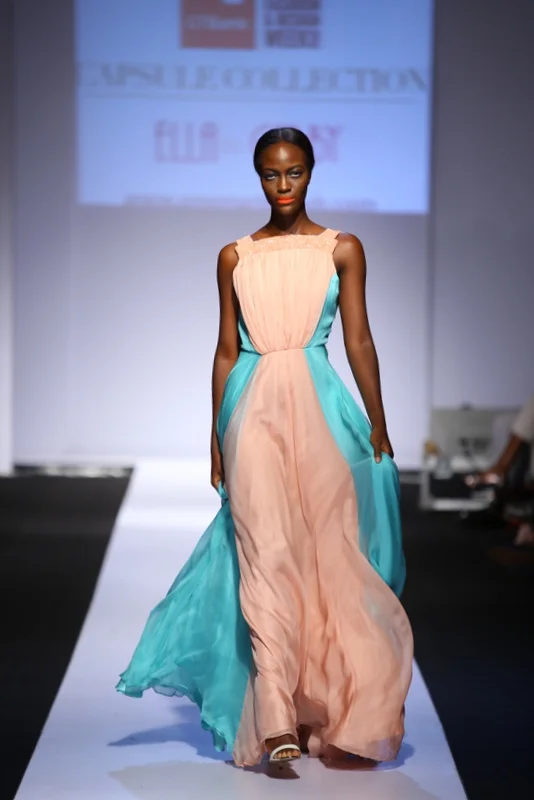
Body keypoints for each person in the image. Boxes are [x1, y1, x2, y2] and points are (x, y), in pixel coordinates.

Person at [116, 128, 413, 767]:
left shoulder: (342, 249)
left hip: (322, 410)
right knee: (264, 555)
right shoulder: (235, 257)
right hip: (250, 414)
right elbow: (226, 350)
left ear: (311, 172)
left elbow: (358, 338)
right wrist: (215, 437)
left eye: (294, 172)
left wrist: (378, 420)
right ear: (258, 176)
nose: (283, 185)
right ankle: (275, 719)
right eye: (272, 174)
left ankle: (333, 707)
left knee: (329, 555)